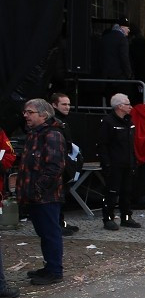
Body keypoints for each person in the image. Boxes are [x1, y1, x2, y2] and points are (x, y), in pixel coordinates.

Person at [18, 99, 65, 285]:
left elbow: (55, 166)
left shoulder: (52, 135)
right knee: (44, 232)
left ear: (43, 115)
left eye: (30, 112)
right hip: (35, 195)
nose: (26, 115)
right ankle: (49, 266)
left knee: (50, 232)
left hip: (46, 196)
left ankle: (54, 270)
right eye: (25, 112)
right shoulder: (34, 134)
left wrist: (38, 188)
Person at [98, 93, 139, 231]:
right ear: (120, 106)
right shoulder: (108, 122)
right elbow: (103, 144)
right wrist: (106, 164)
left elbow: (131, 144)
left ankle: (126, 217)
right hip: (114, 164)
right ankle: (108, 218)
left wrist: (133, 160)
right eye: (128, 104)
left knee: (127, 191)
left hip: (128, 163)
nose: (130, 107)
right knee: (111, 192)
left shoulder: (129, 122)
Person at [49, 92, 80, 235]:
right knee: (57, 195)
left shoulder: (64, 121)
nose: (67, 107)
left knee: (62, 195)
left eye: (68, 104)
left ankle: (61, 223)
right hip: (58, 162)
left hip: (66, 161)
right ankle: (56, 225)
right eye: (64, 104)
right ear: (54, 105)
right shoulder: (54, 122)